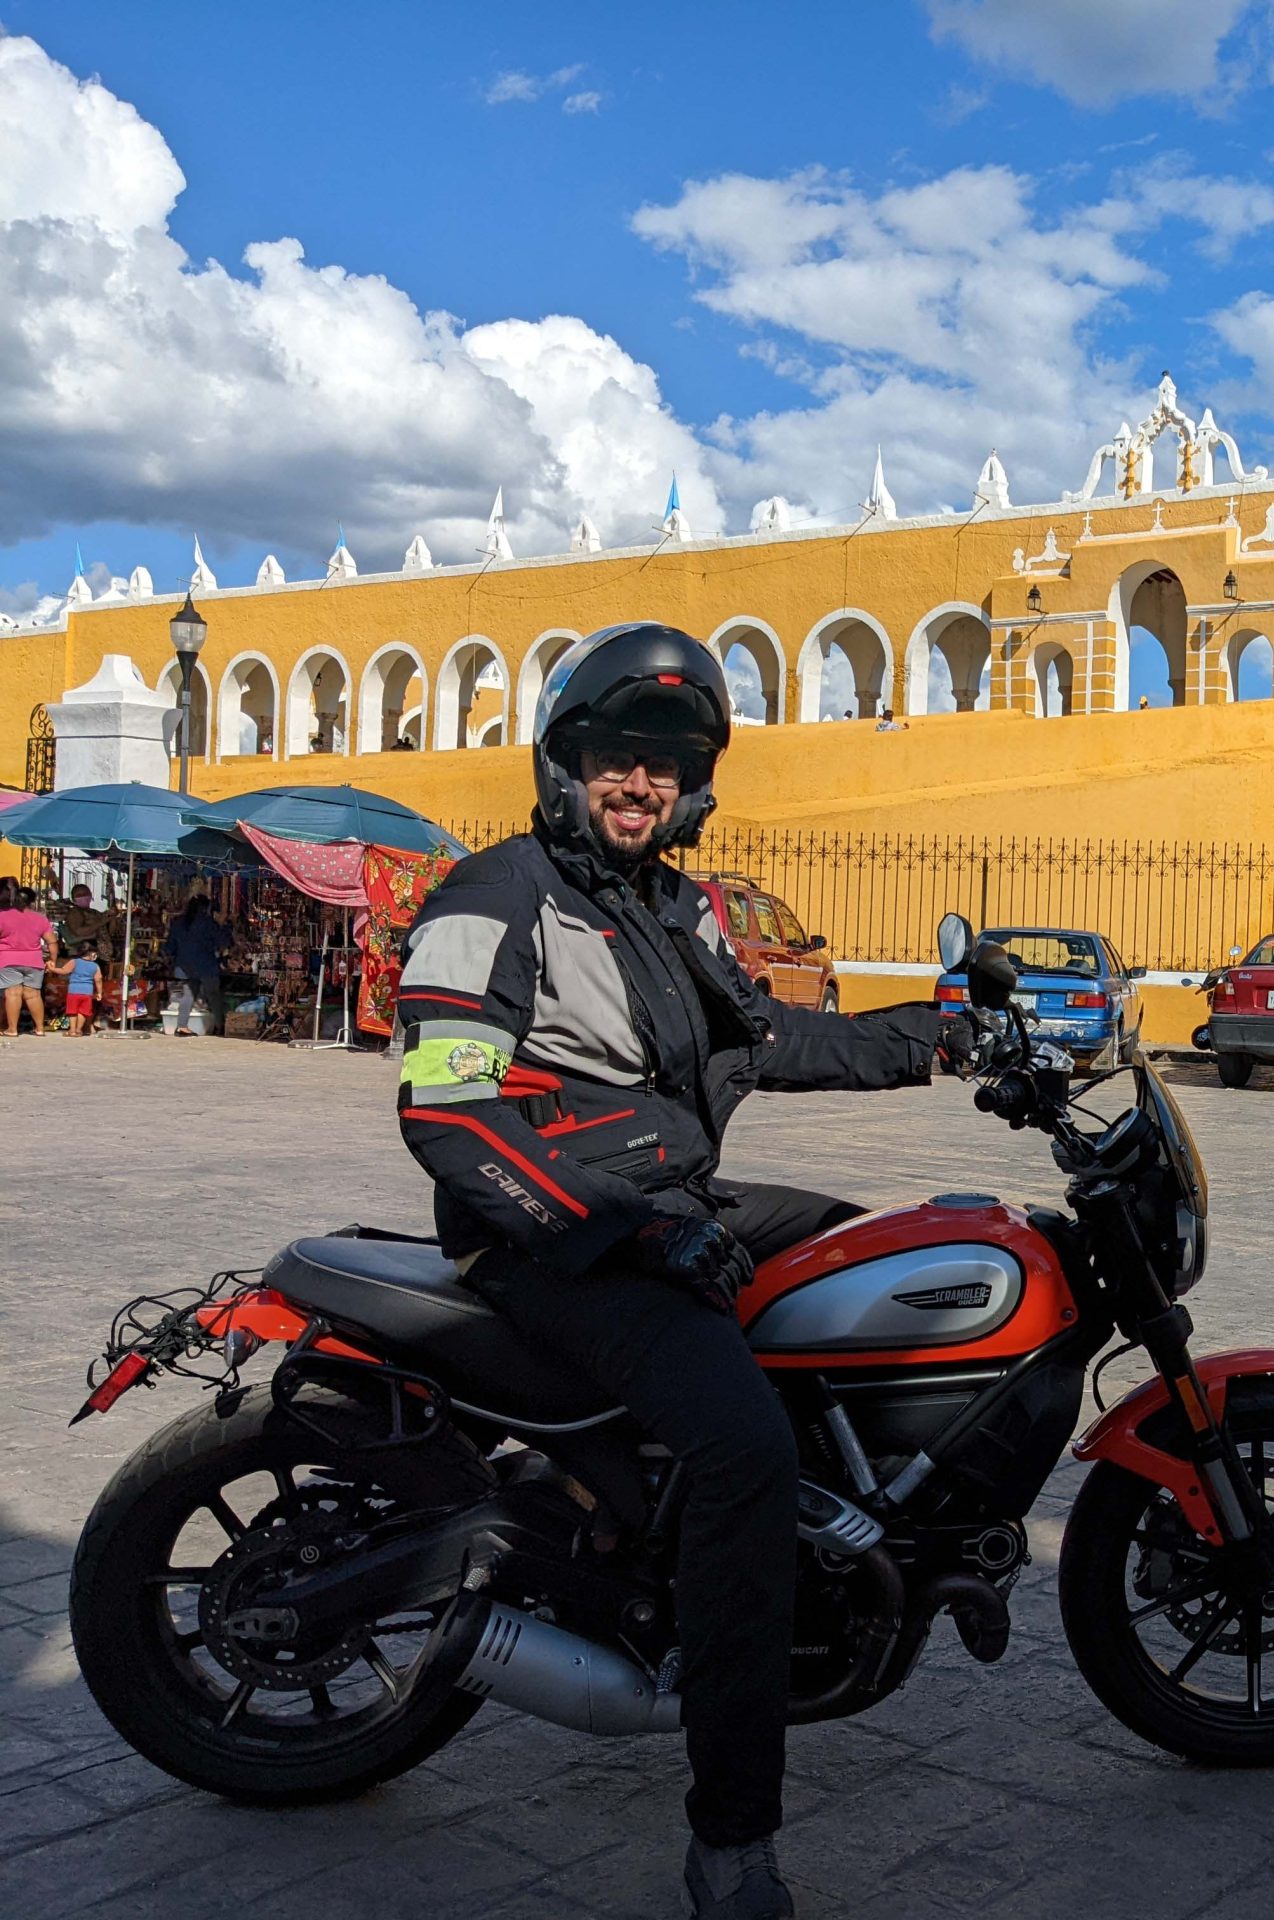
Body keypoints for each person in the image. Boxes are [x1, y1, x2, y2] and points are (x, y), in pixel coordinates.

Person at [393, 623, 958, 1920]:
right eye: (614, 755)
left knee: (865, 1258)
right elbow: (451, 1112)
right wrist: (626, 1229)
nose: (639, 780)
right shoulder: (495, 898)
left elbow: (763, 1039)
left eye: (665, 759)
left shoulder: (675, 908)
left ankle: (744, 1545)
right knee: (745, 1450)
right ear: (567, 760)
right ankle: (731, 1838)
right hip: (549, 1238)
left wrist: (947, 1033)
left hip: (668, 1203)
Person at [164, 896, 232, 1035]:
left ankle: (181, 1026)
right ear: (205, 908)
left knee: (188, 995)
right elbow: (223, 941)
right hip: (206, 965)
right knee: (213, 995)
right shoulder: (207, 923)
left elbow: (169, 948)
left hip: (184, 966)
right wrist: (226, 925)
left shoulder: (178, 923)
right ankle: (220, 1026)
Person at [0, 880, 57, 1038]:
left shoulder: (2, 916)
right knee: (33, 994)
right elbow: (52, 942)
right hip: (34, 961)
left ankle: (12, 1029)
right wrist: (52, 959)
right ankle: (39, 1028)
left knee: (13, 994)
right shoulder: (40, 919)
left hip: (8, 960)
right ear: (32, 902)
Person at [62, 942, 101, 1036]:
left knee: (72, 1011)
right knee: (83, 1012)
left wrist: (53, 969)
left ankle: (72, 1030)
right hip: (87, 992)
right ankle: (79, 1030)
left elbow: (64, 971)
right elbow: (98, 979)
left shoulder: (74, 961)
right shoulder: (95, 966)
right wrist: (99, 992)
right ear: (91, 953)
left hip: (73, 991)